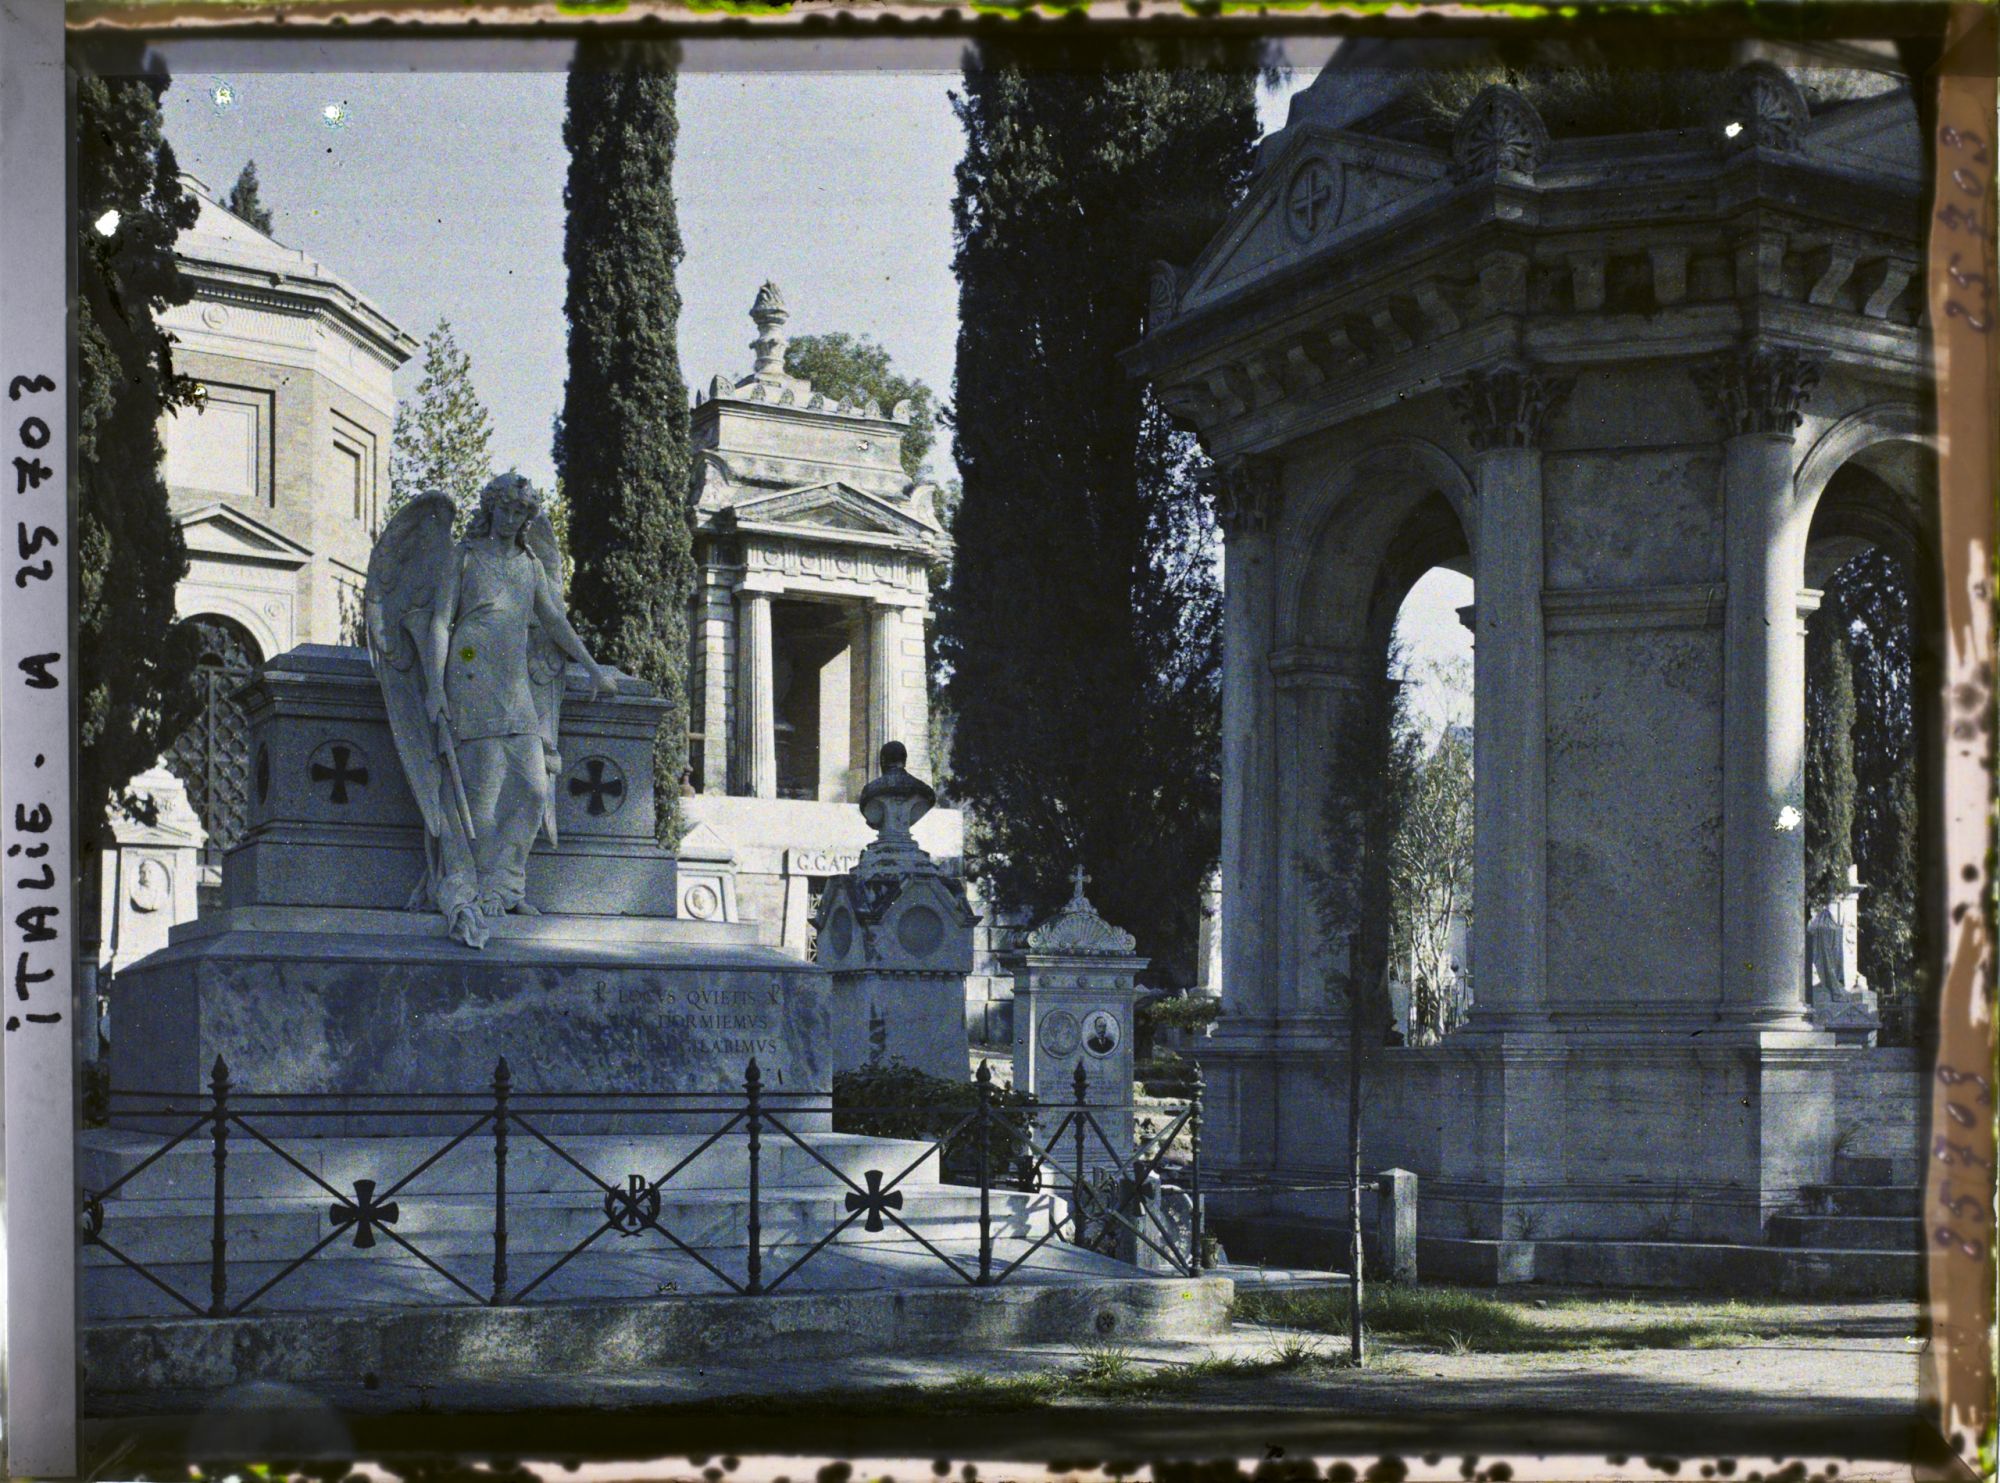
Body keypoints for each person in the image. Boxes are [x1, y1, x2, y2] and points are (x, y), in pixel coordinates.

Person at [370, 474, 615, 948]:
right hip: (469, 672)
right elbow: (441, 622)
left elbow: (553, 620)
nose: (511, 518)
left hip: (513, 683)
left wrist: (592, 668)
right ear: (491, 509)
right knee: (480, 797)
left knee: (532, 786)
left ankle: (506, 887)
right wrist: (436, 690)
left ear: (527, 518)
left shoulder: (529, 565)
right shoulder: (464, 556)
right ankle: (476, 888)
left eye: (520, 512)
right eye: (503, 509)